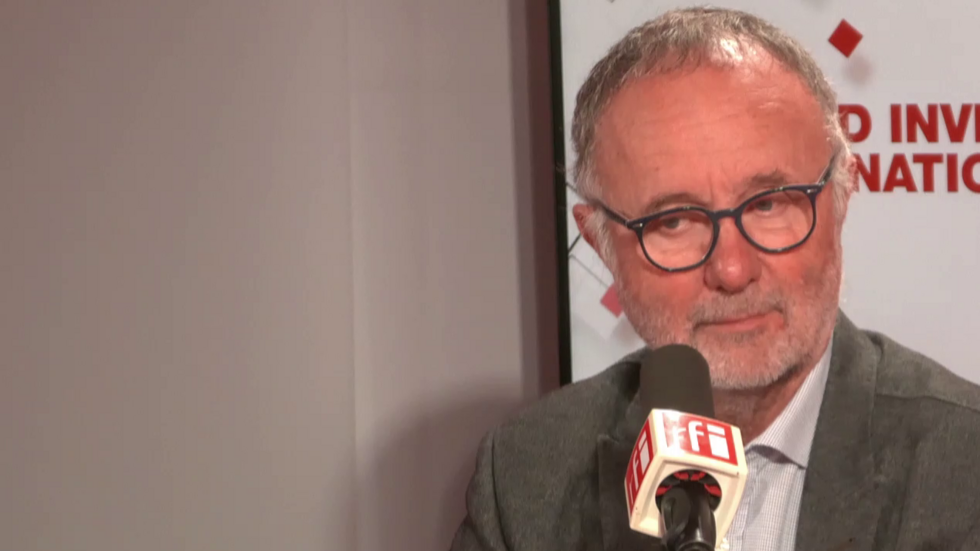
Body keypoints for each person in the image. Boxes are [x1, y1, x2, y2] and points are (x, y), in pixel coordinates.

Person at [450, 6, 980, 551]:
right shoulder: (525, 476)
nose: (731, 269)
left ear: (843, 195)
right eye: (674, 221)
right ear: (599, 242)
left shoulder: (966, 468)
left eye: (769, 204)